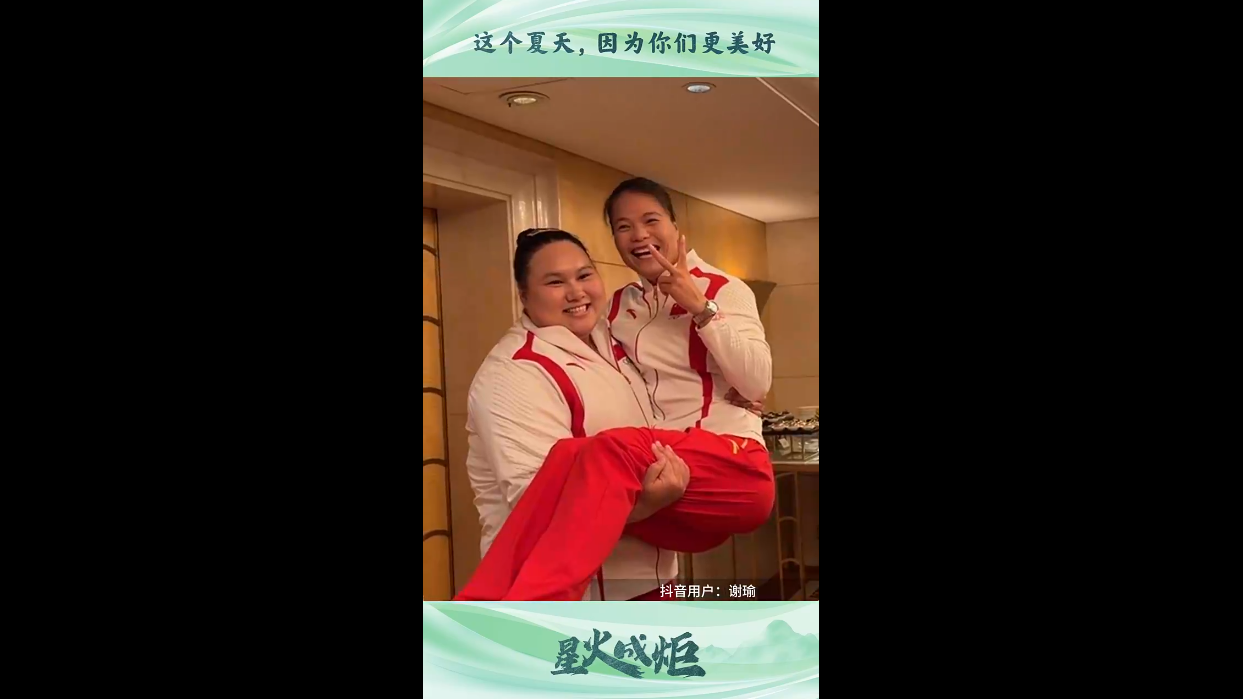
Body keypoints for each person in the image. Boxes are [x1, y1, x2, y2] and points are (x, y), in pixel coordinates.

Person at [456, 228, 773, 602]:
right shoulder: (515, 371)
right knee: (589, 456)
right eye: (555, 282)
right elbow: (537, 499)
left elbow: (669, 397)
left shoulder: (614, 341)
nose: (576, 292)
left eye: (584, 275)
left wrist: (729, 398)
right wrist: (645, 504)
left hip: (650, 578)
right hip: (582, 597)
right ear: (523, 295)